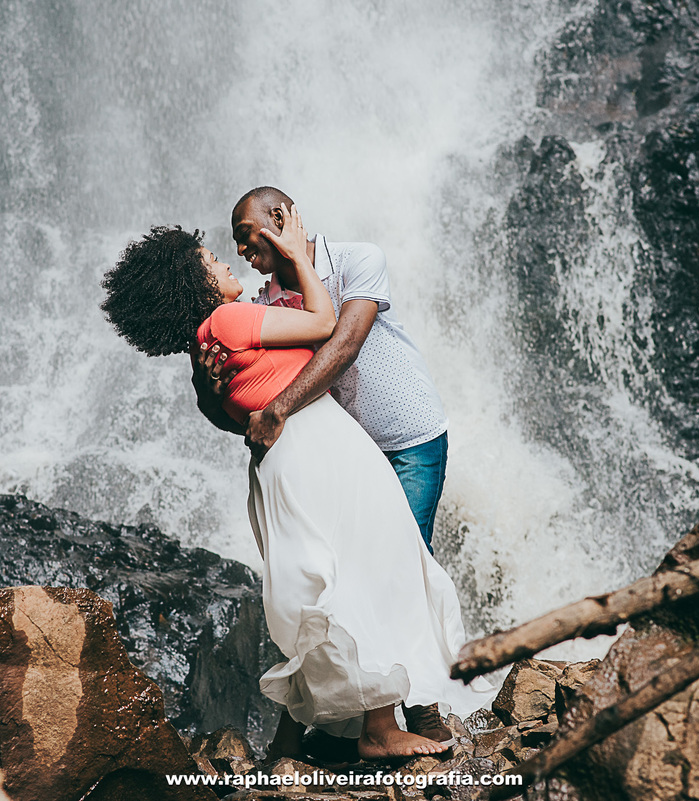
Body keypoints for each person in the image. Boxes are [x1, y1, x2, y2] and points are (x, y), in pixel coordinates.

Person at [101, 208, 498, 761]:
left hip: (305, 452)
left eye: (238, 243)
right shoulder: (231, 320)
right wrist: (296, 255)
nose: (228, 258)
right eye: (213, 259)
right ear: (196, 285)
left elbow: (240, 410)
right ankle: (382, 729)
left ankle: (294, 737)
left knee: (331, 584)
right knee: (364, 573)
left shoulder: (213, 337)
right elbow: (323, 324)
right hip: (317, 448)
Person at [192, 186, 456, 747]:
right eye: (233, 244)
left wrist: (278, 410)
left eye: (247, 235)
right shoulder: (260, 304)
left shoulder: (360, 259)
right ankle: (323, 733)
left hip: (409, 440)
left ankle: (419, 717)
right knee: (349, 578)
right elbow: (249, 409)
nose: (240, 250)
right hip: (346, 456)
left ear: (282, 219)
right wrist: (209, 388)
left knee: (401, 566)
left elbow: (342, 346)